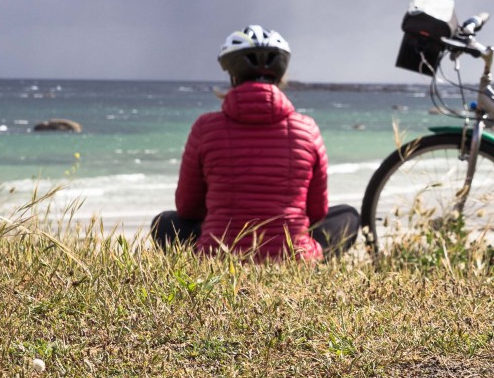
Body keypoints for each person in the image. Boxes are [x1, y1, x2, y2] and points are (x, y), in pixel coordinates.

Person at [151, 25, 359, 262]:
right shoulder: (307, 129)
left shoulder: (204, 128)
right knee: (348, 216)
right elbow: (316, 212)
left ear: (233, 75)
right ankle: (310, 262)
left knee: (164, 223)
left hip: (218, 255)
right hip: (293, 257)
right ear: (281, 75)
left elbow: (188, 208)